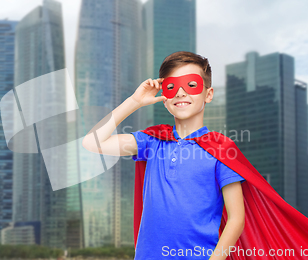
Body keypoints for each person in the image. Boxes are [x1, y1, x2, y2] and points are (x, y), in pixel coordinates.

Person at [82, 51, 245, 259]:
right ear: (165, 98)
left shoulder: (222, 149)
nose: (180, 92)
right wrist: (134, 101)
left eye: (191, 84)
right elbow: (92, 142)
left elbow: (236, 219)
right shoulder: (151, 141)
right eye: (172, 87)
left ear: (208, 94)